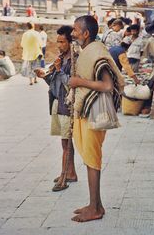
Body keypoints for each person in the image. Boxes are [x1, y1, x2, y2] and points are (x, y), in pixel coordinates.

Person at [69, 15, 124, 222]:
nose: (73, 33)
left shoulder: (97, 52)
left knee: (93, 160)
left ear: (86, 33)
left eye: (75, 30)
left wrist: (78, 81)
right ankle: (95, 204)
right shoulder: (88, 50)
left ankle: (95, 208)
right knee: (91, 159)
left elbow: (107, 86)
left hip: (95, 111)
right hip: (87, 110)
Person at [35, 26, 78, 192]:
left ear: (70, 42)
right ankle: (70, 172)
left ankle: (64, 175)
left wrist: (59, 70)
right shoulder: (61, 58)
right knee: (64, 142)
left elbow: (71, 83)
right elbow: (55, 84)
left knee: (66, 142)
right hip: (57, 103)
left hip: (67, 105)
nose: (59, 45)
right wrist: (45, 75)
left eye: (62, 41)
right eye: (58, 41)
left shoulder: (75, 59)